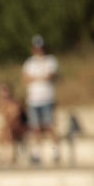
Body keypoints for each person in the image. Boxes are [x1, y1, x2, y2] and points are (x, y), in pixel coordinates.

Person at [22, 34, 61, 165]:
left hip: (47, 99)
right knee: (35, 128)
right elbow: (26, 79)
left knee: (50, 126)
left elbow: (51, 76)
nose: (39, 50)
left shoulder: (51, 60)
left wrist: (36, 78)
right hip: (33, 100)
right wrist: (42, 77)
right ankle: (37, 153)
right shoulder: (29, 63)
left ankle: (56, 152)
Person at [0, 82, 27, 167]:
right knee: (4, 132)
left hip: (19, 126)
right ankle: (4, 156)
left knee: (7, 131)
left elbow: (16, 117)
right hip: (9, 127)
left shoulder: (15, 103)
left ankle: (9, 157)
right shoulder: (1, 104)